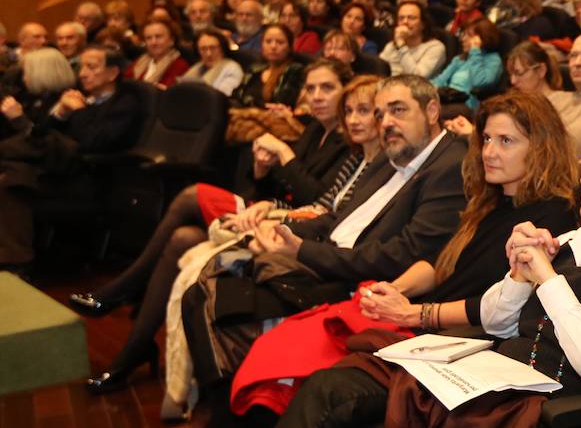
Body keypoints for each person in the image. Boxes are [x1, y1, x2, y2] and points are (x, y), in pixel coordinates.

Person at [279, 120, 581, 427]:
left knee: (334, 396)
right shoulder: (575, 238)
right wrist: (517, 272)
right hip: (490, 377)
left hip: (529, 408)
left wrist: (548, 280)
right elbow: (496, 322)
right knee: (337, 380)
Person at [228, 91, 580, 418]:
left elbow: (496, 310)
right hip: (425, 322)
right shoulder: (490, 199)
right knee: (283, 346)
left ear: (540, 148)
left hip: (464, 342)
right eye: (487, 138)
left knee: (323, 384)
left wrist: (414, 313)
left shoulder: (552, 216)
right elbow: (441, 265)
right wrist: (395, 291)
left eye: (506, 141)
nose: (489, 151)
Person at [180, 76, 468, 422]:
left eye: (398, 110)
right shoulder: (391, 153)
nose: (387, 122)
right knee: (204, 292)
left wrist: (302, 251)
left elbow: (404, 254)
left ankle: (232, 413)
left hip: (351, 282)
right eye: (381, 114)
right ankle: (230, 409)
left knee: (219, 302)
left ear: (432, 110)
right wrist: (286, 230)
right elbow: (337, 218)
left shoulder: (450, 165)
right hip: (325, 259)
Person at [72, 58, 354, 393]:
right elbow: (272, 192)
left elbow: (318, 202)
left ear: (345, 93)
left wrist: (284, 155)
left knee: (192, 195)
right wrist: (263, 173)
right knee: (181, 237)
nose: (318, 95)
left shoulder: (347, 140)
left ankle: (125, 290)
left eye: (328, 88)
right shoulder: (312, 130)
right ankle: (133, 350)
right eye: (310, 88)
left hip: (289, 228)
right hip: (269, 214)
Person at [0, 45, 140, 268]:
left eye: (91, 67)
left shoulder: (124, 104)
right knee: (14, 175)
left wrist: (78, 111)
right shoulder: (79, 97)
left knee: (13, 179)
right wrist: (60, 113)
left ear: (112, 73)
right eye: (82, 66)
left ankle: (15, 259)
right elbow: (40, 133)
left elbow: (94, 143)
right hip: (54, 167)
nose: (82, 73)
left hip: (87, 177)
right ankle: (14, 257)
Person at [0, 48, 76, 139]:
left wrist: (18, 118)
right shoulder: (34, 94)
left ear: (42, 73)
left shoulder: (66, 100)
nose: (24, 79)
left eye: (26, 73)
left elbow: (43, 140)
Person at [431, 17, 502, 108]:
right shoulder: (460, 58)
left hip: (468, 106)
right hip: (449, 100)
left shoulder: (493, 60)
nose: (463, 39)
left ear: (483, 37)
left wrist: (475, 51)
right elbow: (441, 80)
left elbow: (479, 82)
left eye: (469, 35)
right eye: (464, 34)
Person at [231, 24, 305, 108]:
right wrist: (262, 104)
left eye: (280, 42)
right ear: (262, 45)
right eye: (268, 41)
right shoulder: (254, 69)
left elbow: (282, 103)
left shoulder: (295, 70)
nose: (273, 46)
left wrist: (251, 103)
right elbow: (236, 96)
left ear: (289, 47)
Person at [380, 0, 446, 77]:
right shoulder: (391, 46)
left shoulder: (435, 47)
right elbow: (378, 70)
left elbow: (417, 78)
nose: (405, 22)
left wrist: (401, 46)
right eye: (401, 18)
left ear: (423, 24)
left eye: (411, 18)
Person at [124, 18, 189, 88]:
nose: (153, 42)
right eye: (148, 38)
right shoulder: (139, 62)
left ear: (171, 40)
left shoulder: (179, 66)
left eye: (158, 37)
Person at [180, 29, 244, 96]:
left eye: (213, 48)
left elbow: (222, 98)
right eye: (203, 49)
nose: (208, 54)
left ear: (222, 48)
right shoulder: (196, 67)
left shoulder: (232, 69)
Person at [321, 29, 387, 77]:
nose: (332, 53)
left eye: (339, 49)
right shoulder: (315, 78)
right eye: (328, 49)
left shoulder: (361, 83)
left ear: (353, 56)